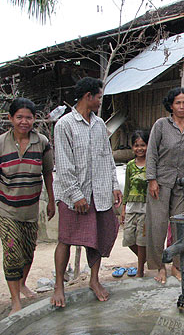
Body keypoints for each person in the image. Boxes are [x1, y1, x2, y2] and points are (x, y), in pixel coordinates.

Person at [51, 77, 122, 308]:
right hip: (74, 196)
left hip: (100, 192)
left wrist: (114, 186)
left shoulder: (100, 124)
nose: (101, 101)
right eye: (99, 97)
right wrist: (75, 194)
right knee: (66, 239)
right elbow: (63, 164)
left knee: (99, 236)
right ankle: (59, 286)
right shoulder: (64, 125)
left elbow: (107, 157)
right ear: (88, 97)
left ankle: (94, 279)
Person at [0, 98, 55, 315]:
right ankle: (15, 301)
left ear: (35, 119)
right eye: (19, 117)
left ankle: (22, 284)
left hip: (31, 209)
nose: (24, 121)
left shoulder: (41, 142)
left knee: (28, 252)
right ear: (10, 118)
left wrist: (51, 200)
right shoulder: (1, 143)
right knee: (12, 252)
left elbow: (48, 173)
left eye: (29, 117)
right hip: (7, 208)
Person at [146, 87, 184, 284]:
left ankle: (177, 265)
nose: (182, 106)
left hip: (182, 184)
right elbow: (151, 153)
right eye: (178, 102)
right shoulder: (161, 125)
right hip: (160, 182)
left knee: (179, 227)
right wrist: (151, 179)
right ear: (171, 105)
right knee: (158, 225)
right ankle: (160, 266)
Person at [120, 130, 149, 278]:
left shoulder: (151, 164)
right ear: (132, 147)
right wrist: (123, 209)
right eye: (136, 145)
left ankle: (140, 270)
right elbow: (127, 187)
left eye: (143, 145)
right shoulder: (130, 165)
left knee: (141, 240)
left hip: (145, 208)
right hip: (131, 206)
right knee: (129, 239)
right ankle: (146, 259)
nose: (140, 148)